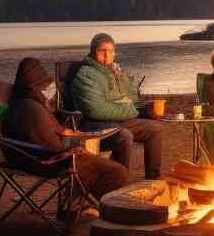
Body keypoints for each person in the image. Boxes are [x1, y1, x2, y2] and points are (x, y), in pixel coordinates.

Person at [2, 57, 128, 207]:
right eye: (41, 84)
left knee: (103, 157)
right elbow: (52, 145)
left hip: (33, 155)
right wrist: (76, 143)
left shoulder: (24, 102)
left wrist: (65, 133)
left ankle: (83, 205)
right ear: (34, 82)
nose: (44, 88)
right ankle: (94, 207)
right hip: (44, 161)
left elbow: (45, 135)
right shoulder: (31, 107)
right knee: (117, 171)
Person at [69, 33, 164, 179]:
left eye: (111, 51)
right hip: (94, 126)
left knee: (155, 128)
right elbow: (95, 110)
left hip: (119, 121)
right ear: (93, 51)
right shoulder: (86, 74)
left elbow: (133, 97)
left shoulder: (116, 72)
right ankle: (118, 181)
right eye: (102, 51)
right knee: (124, 136)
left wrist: (120, 86)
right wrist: (126, 106)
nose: (107, 55)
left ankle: (153, 179)